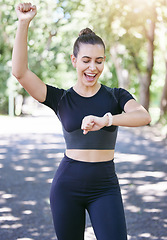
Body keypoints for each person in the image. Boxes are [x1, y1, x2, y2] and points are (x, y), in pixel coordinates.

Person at [12, 3, 151, 240]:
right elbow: (20, 72)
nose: (92, 67)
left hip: (105, 187)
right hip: (67, 186)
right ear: (74, 60)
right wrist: (23, 23)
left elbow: (143, 116)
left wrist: (106, 119)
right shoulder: (60, 99)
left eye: (99, 61)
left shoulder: (116, 96)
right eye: (86, 60)